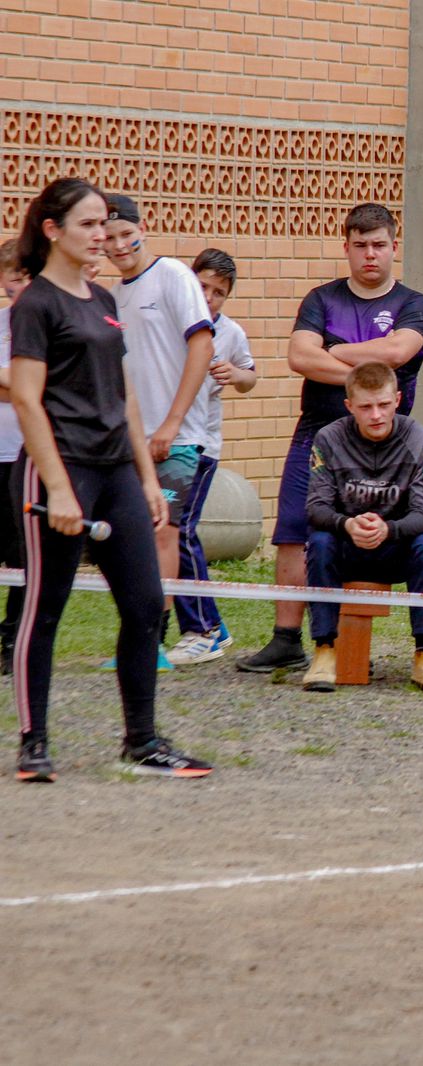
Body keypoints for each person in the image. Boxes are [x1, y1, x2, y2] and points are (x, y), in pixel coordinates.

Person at [10, 177, 212, 781]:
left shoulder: (102, 298)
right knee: (44, 610)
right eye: (90, 225)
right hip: (61, 470)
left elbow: (123, 396)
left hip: (118, 469)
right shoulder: (36, 303)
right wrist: (61, 488)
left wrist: (147, 478)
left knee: (147, 604)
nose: (103, 236)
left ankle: (142, 741)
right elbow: (25, 399)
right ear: (53, 230)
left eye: (107, 224)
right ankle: (33, 742)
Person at [238, 203, 423, 674]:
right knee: (292, 532)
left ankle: (419, 648)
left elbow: (399, 351)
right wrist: (369, 377)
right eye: (360, 245)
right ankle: (287, 639)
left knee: (404, 535)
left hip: (388, 444)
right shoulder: (321, 298)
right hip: (317, 434)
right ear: (346, 247)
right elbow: (301, 358)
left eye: (379, 245)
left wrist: (337, 350)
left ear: (393, 247)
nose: (370, 255)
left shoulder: (413, 304)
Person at [101, 194, 216, 670]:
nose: (118, 245)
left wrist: (171, 422)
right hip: (130, 439)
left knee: (163, 531)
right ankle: (137, 633)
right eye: (107, 240)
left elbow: (202, 346)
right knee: (129, 539)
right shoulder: (111, 296)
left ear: (141, 228)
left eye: (125, 234)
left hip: (177, 436)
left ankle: (155, 643)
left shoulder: (173, 276)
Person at [301, 361, 423, 697]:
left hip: (394, 547)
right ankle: (325, 650)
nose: (376, 415)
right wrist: (348, 523)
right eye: (366, 407)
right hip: (345, 545)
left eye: (383, 405)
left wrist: (389, 529)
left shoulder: (419, 439)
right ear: (349, 406)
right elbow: (316, 508)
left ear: (398, 399)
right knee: (319, 541)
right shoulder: (328, 438)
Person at [166, 248, 257, 665]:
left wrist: (236, 375)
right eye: (202, 286)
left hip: (202, 446)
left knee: (181, 530)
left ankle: (204, 628)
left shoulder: (231, 333)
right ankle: (209, 627)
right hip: (163, 440)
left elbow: (250, 377)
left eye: (219, 292)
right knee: (164, 533)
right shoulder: (170, 321)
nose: (209, 297)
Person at [0, 239, 29, 674]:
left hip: (29, 455)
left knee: (24, 553)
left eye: (26, 279)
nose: (18, 288)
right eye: (11, 280)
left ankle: (14, 639)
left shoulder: (45, 326)